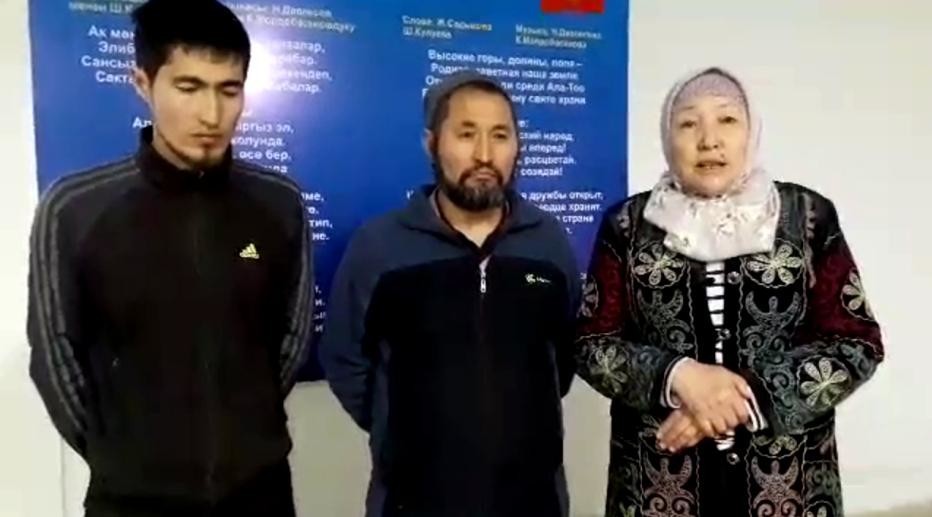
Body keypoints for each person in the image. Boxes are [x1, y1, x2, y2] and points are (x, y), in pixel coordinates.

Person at [26, 1, 313, 515]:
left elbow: (292, 339)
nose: (211, 115)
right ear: (143, 83)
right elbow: (55, 360)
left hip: (259, 493)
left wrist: (248, 428)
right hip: (131, 500)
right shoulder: (74, 209)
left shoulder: (279, 203)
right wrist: (124, 456)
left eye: (229, 90)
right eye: (188, 87)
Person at [574, 67, 884, 517]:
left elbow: (857, 342)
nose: (709, 140)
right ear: (667, 136)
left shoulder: (808, 216)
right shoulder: (627, 225)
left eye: (727, 119)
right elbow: (590, 343)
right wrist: (677, 376)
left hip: (788, 488)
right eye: (688, 123)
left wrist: (744, 398)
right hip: (656, 484)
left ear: (750, 130)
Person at [319, 69, 581, 517]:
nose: (484, 154)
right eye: (466, 134)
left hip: (533, 502)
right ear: (432, 144)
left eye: (500, 135)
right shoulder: (379, 247)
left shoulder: (548, 242)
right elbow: (346, 360)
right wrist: (401, 431)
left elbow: (564, 358)